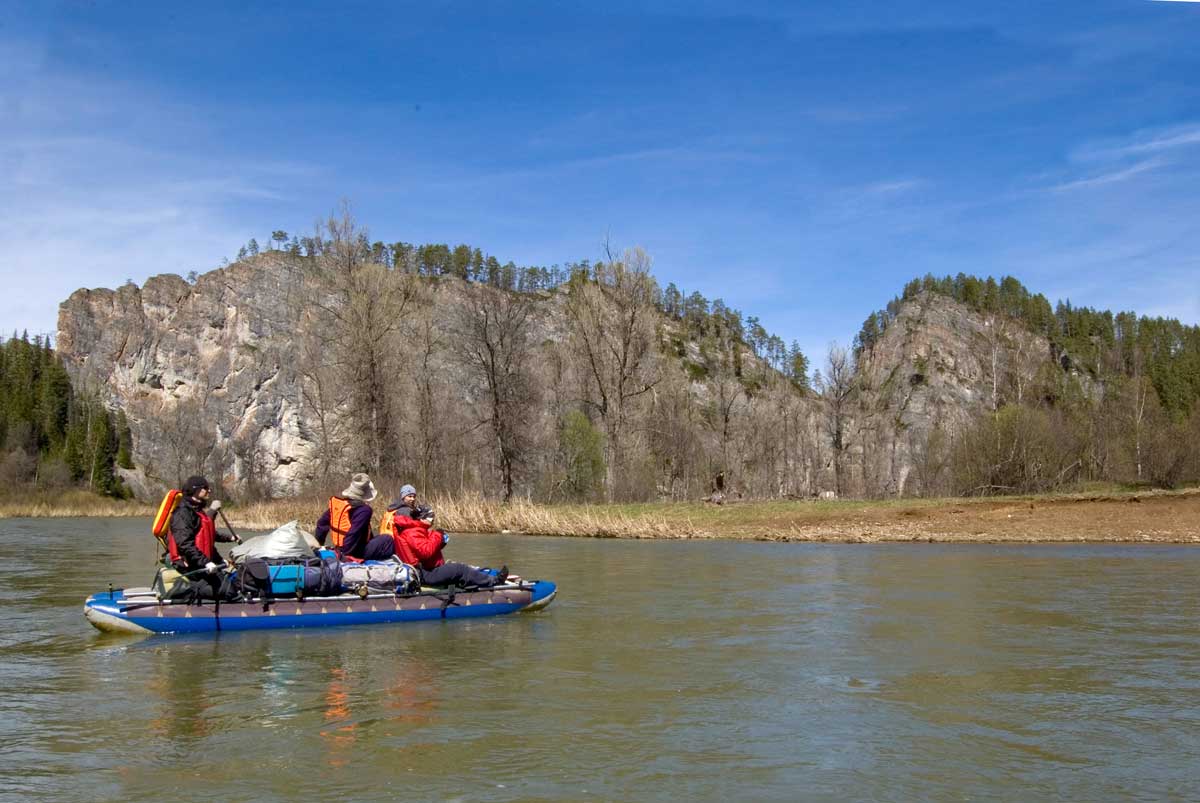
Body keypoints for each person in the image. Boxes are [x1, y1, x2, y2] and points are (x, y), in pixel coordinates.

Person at [387, 483, 508, 588]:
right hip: (426, 574)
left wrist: (440, 541)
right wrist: (437, 535)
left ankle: (479, 580)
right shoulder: (412, 531)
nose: (432, 521)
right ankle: (495, 582)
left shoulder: (414, 529)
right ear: (423, 519)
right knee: (459, 569)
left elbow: (425, 550)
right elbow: (425, 552)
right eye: (431, 518)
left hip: (427, 569)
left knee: (456, 568)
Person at [167, 475, 240, 598]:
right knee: (229, 591)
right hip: (189, 568)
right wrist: (206, 563)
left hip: (200, 564)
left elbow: (207, 538)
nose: (209, 491)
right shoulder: (182, 513)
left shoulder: (197, 511)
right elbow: (185, 544)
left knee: (234, 582)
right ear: (195, 490)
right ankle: (188, 589)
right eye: (205, 488)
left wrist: (218, 560)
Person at [315, 472, 395, 562]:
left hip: (340, 548)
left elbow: (321, 524)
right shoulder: (365, 510)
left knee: (381, 538)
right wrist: (344, 556)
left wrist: (318, 544)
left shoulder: (340, 506)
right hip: (354, 552)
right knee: (387, 539)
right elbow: (353, 534)